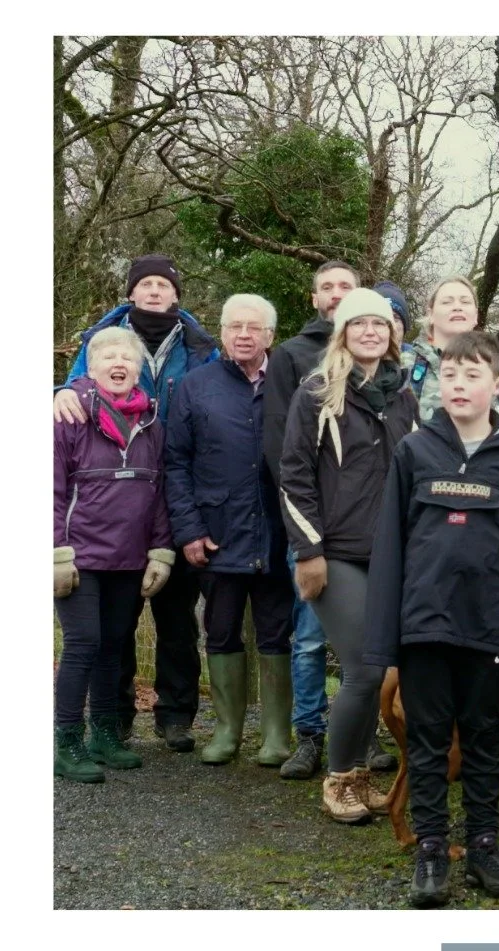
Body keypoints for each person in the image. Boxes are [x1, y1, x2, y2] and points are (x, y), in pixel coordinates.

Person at [365, 331, 499, 908]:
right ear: (438, 386)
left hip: (489, 630)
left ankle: (483, 846)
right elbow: (391, 546)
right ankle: (430, 852)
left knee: (482, 743)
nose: (460, 386)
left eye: (473, 376)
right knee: (426, 743)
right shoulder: (415, 452)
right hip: (425, 626)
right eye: (450, 376)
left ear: (497, 385)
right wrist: (385, 633)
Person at [55, 254, 218, 754]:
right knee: (104, 636)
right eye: (144, 283)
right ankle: (110, 721)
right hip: (100, 505)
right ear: (131, 292)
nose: (153, 291)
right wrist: (60, 389)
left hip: (167, 486)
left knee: (175, 621)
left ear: (176, 294)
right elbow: (76, 390)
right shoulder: (101, 344)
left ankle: (174, 716)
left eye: (162, 284)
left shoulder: (198, 345)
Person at [279, 287, 416, 824]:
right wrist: (308, 551)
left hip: (392, 554)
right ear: (343, 332)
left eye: (379, 325)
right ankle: (338, 779)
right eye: (359, 324)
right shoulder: (318, 392)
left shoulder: (402, 395)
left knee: (379, 668)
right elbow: (293, 476)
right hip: (335, 553)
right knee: (363, 668)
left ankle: (359, 776)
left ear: (391, 335)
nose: (369, 332)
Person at [162, 294, 294, 767]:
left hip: (278, 534)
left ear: (270, 336)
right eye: (235, 326)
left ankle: (278, 734)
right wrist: (189, 531)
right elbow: (175, 465)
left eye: (254, 328)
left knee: (278, 633)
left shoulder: (289, 382)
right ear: (222, 332)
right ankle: (226, 731)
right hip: (216, 535)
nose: (244, 334)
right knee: (220, 632)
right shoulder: (196, 387)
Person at [54, 327, 177, 781]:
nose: (118, 363)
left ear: (139, 369)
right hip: (79, 556)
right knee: (83, 644)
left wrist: (161, 549)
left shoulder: (151, 422)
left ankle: (104, 735)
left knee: (113, 646)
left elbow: (157, 489)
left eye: (127, 357)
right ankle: (66, 741)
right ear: (91, 366)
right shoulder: (67, 416)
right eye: (108, 356)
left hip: (129, 557)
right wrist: (55, 553)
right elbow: (50, 488)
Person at [266, 259, 360, 780]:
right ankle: (310, 734)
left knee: (359, 644)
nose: (336, 293)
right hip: (309, 525)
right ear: (314, 299)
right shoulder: (293, 357)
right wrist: (304, 525)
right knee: (307, 637)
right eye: (327, 287)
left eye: (345, 286)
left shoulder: (377, 364)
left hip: (361, 531)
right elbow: (281, 445)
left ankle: (359, 740)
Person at [406, 277, 499, 428]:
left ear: (475, 315)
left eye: (465, 301)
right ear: (430, 314)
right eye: (447, 302)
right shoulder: (403, 367)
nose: (457, 307)